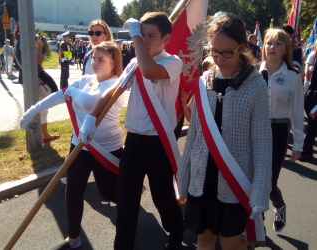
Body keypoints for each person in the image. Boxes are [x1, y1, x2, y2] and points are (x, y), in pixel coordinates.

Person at [80, 12, 184, 250]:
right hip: (134, 142)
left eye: (151, 36)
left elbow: (150, 71)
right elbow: (112, 91)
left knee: (162, 199)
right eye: (142, 35)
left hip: (159, 144)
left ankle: (176, 229)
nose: (145, 40)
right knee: (126, 202)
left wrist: (135, 36)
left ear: (166, 39)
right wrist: (90, 119)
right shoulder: (137, 61)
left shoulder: (173, 62)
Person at [177, 13, 272, 249]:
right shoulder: (204, 81)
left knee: (230, 243)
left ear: (242, 47)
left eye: (227, 52)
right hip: (203, 177)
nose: (218, 58)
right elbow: (195, 134)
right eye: (213, 51)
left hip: (235, 178)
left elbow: (262, 142)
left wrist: (260, 190)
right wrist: (183, 175)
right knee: (204, 239)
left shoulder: (256, 85)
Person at [20, 41, 124, 249]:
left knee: (109, 192)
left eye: (101, 59)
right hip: (79, 146)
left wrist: (73, 93)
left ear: (113, 63)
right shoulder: (87, 80)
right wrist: (34, 110)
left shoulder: (117, 84)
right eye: (93, 58)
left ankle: (127, 217)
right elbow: (60, 95)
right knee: (73, 190)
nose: (94, 62)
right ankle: (73, 237)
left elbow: (90, 102)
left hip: (106, 149)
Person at [259, 28, 304, 232]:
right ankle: (257, 227)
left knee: (268, 182)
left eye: (278, 43)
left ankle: (279, 205)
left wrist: (298, 144)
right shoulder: (253, 73)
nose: (272, 47)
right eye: (269, 42)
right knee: (253, 179)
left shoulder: (292, 76)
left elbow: (296, 112)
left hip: (278, 131)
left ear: (286, 48)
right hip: (255, 129)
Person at [35, 34, 60, 143]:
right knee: (43, 108)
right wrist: (39, 47)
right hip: (37, 79)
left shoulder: (21, 43)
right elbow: (39, 61)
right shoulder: (28, 46)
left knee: (42, 108)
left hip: (35, 77)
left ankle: (44, 134)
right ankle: (45, 136)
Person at [300, 41, 317, 161]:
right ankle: (306, 152)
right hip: (314, 95)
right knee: (312, 125)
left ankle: (307, 151)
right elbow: (309, 76)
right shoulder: (314, 55)